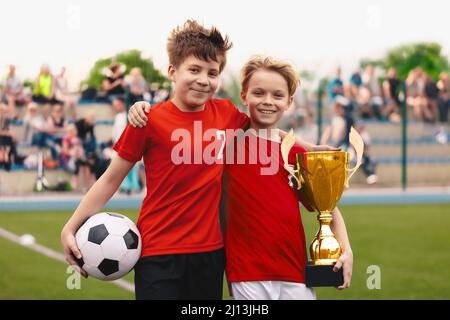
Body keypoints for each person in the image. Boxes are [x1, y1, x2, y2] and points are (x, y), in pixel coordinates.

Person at [61, 20, 248, 300]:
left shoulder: (226, 113)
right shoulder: (147, 119)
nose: (204, 79)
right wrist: (71, 226)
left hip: (209, 254)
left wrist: (307, 146)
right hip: (158, 252)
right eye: (194, 69)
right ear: (172, 71)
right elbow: (111, 178)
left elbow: (267, 132)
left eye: (213, 72)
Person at [221, 56, 352, 300]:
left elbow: (328, 208)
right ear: (244, 95)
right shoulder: (228, 144)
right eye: (258, 93)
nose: (268, 101)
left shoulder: (295, 153)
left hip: (295, 272)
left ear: (289, 101)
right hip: (247, 273)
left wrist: (346, 249)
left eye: (278, 95)